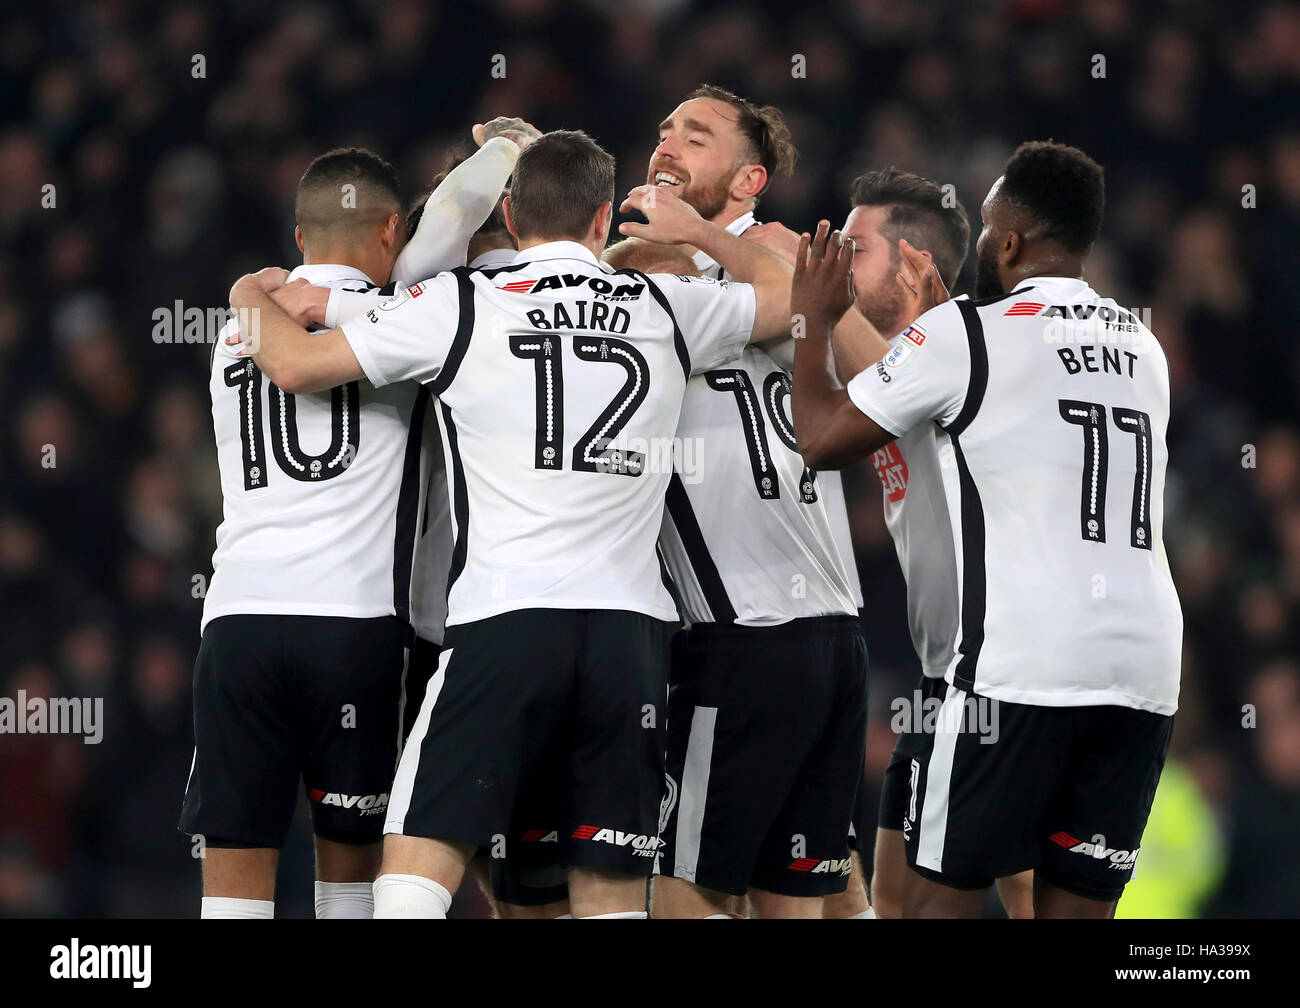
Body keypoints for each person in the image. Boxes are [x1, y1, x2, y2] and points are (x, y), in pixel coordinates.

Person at [226, 129, 797, 918]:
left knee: (412, 875)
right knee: (608, 894)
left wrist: (246, 297)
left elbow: (291, 364)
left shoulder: (463, 304)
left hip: (505, 622)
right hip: (629, 637)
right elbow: (792, 298)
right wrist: (699, 233)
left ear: (512, 215)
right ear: (603, 219)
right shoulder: (667, 304)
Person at [790, 141, 1183, 919]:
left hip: (1018, 671)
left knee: (934, 909)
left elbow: (821, 437)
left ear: (1007, 242)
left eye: (986, 230)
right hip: (1143, 674)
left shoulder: (965, 335)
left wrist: (811, 316)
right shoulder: (1145, 346)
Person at [180, 120, 533, 919]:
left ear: (301, 235)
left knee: (232, 891)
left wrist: (244, 287)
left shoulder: (236, 332)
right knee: (351, 890)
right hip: (355, 629)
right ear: (389, 230)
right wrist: (506, 148)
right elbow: (449, 221)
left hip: (237, 625)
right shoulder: (407, 312)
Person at [639, 85, 876, 919]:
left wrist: (708, 240)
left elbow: (889, 381)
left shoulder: (778, 264)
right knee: (801, 897)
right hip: (810, 639)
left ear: (749, 180)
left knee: (673, 889)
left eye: (696, 136)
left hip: (748, 634)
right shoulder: (644, 272)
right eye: (665, 130)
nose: (668, 143)